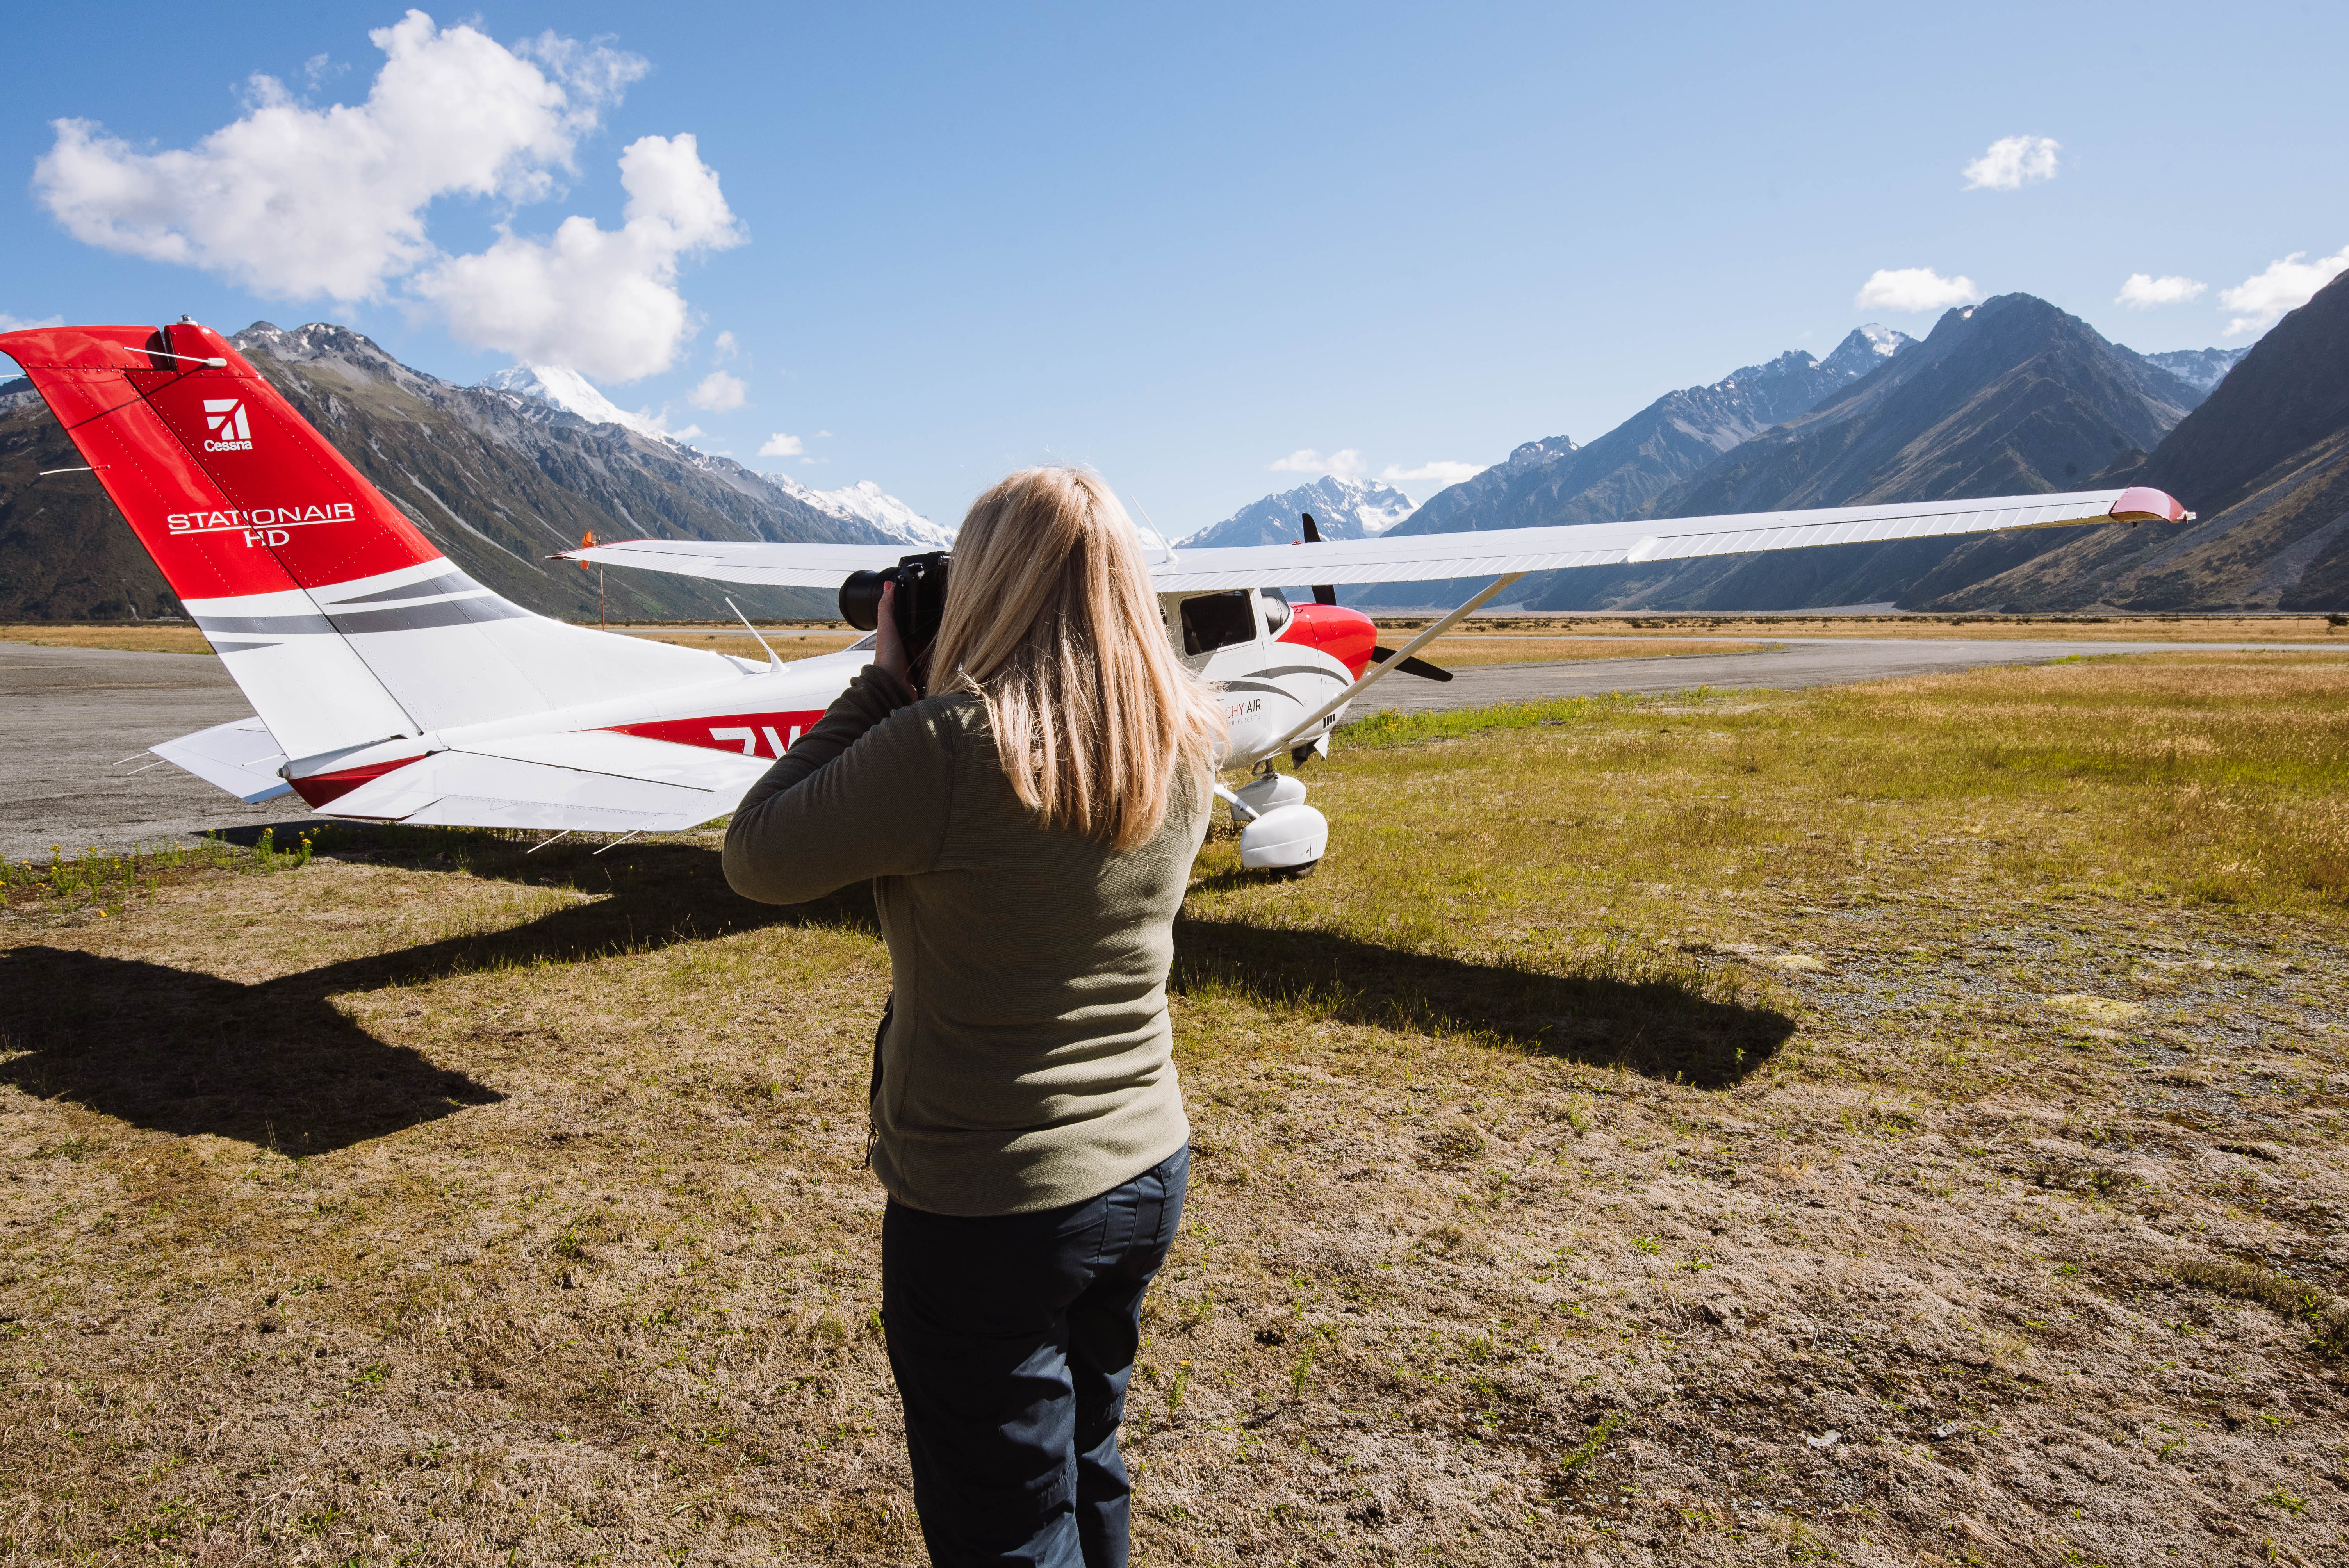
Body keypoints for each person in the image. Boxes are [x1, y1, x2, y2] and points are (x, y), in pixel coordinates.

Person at [723, 467, 1228, 1567]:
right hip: (1146, 1162)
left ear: (987, 584)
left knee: (1005, 1522)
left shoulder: (948, 748)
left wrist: (879, 687)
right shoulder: (1182, 736)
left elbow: (756, 855)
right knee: (1088, 1455)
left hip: (991, 1200)